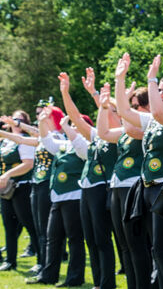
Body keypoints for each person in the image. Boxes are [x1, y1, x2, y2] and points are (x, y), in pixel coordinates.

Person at [115, 53, 163, 289]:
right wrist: (120, 79)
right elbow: (125, 113)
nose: (160, 95)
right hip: (147, 188)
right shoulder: (154, 120)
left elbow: (158, 112)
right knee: (157, 249)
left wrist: (154, 77)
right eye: (159, 91)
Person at [59, 72, 118, 289]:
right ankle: (98, 283)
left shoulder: (121, 134)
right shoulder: (97, 135)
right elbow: (75, 117)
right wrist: (65, 92)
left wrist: (98, 96)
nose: (103, 111)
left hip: (102, 188)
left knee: (102, 239)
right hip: (87, 188)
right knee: (91, 239)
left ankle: (107, 283)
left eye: (109, 109)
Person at [97, 84, 151, 289]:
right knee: (125, 245)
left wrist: (121, 100)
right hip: (117, 186)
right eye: (133, 105)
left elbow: (128, 125)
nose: (133, 109)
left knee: (138, 245)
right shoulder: (127, 129)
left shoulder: (146, 126)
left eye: (137, 106)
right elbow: (103, 132)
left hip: (133, 186)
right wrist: (103, 108)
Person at [0, 105, 64, 275]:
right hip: (37, 184)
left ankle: (46, 266)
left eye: (46, 117)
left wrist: (17, 123)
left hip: (48, 185)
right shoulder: (44, 138)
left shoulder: (59, 137)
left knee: (44, 229)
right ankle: (42, 265)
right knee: (39, 227)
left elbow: (33, 133)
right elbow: (21, 139)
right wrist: (5, 131)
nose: (42, 119)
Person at [27, 109, 86, 286]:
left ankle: (74, 278)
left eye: (76, 126)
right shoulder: (64, 144)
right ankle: (48, 276)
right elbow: (46, 141)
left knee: (74, 239)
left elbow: (77, 143)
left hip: (74, 196)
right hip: (57, 197)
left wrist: (66, 127)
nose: (73, 128)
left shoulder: (83, 144)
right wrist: (42, 122)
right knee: (52, 239)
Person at [0, 110, 39, 272]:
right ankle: (10, 261)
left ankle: (41, 260)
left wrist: (8, 175)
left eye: (19, 120)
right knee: (8, 226)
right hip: (5, 188)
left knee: (29, 224)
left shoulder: (26, 141)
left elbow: (28, 164)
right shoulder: (5, 142)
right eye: (13, 119)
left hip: (22, 186)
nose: (15, 122)